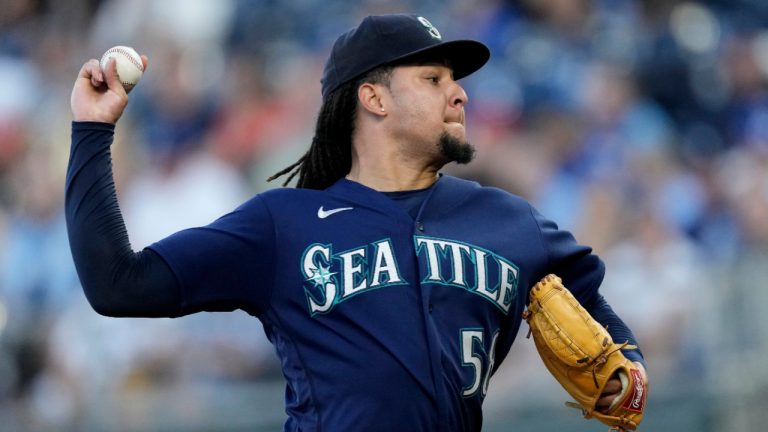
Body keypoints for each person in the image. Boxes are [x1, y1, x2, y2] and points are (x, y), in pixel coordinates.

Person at [67, 13, 647, 431]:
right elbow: (119, 284)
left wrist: (631, 375)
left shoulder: (508, 221)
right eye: (434, 79)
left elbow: (597, 310)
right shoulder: (283, 226)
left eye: (456, 80)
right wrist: (93, 133)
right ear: (373, 98)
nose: (460, 95)